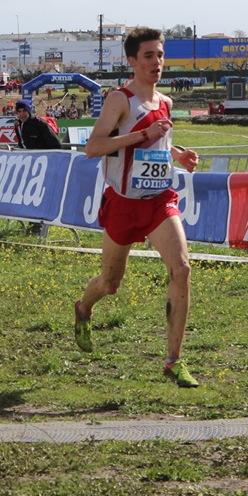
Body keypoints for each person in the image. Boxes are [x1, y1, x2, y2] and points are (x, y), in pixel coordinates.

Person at [72, 26, 201, 388]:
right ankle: (83, 308)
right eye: (149, 56)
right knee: (110, 284)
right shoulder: (120, 100)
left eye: (160, 55)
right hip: (124, 203)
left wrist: (179, 155)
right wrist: (143, 134)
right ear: (132, 61)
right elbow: (94, 147)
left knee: (182, 268)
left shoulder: (166, 103)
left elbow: (159, 144)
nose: (157, 62)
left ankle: (173, 361)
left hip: (159, 200)